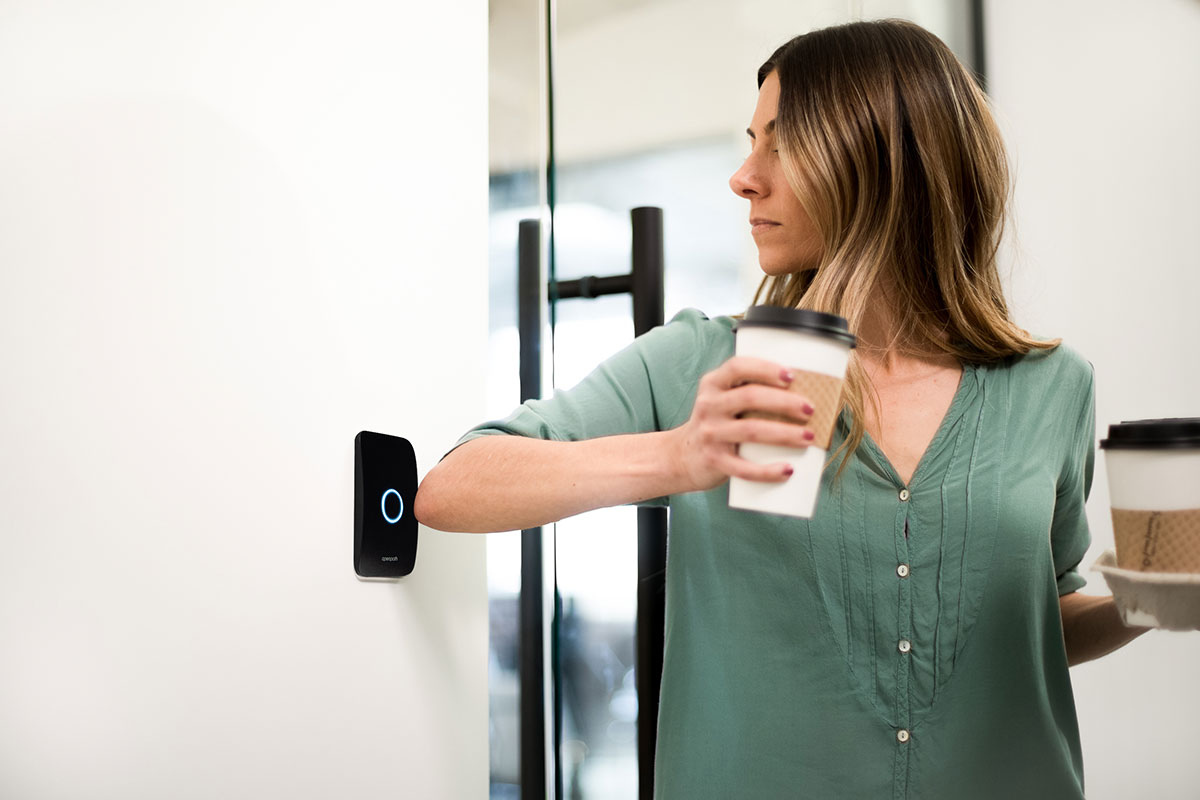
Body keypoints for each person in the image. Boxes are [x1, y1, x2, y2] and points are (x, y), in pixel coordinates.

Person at [416, 19, 1149, 799]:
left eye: (779, 144)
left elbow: (1042, 617)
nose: (743, 176)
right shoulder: (705, 363)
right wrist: (679, 456)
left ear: (879, 159)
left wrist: (1151, 603)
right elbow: (452, 487)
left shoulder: (1053, 385)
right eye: (748, 141)